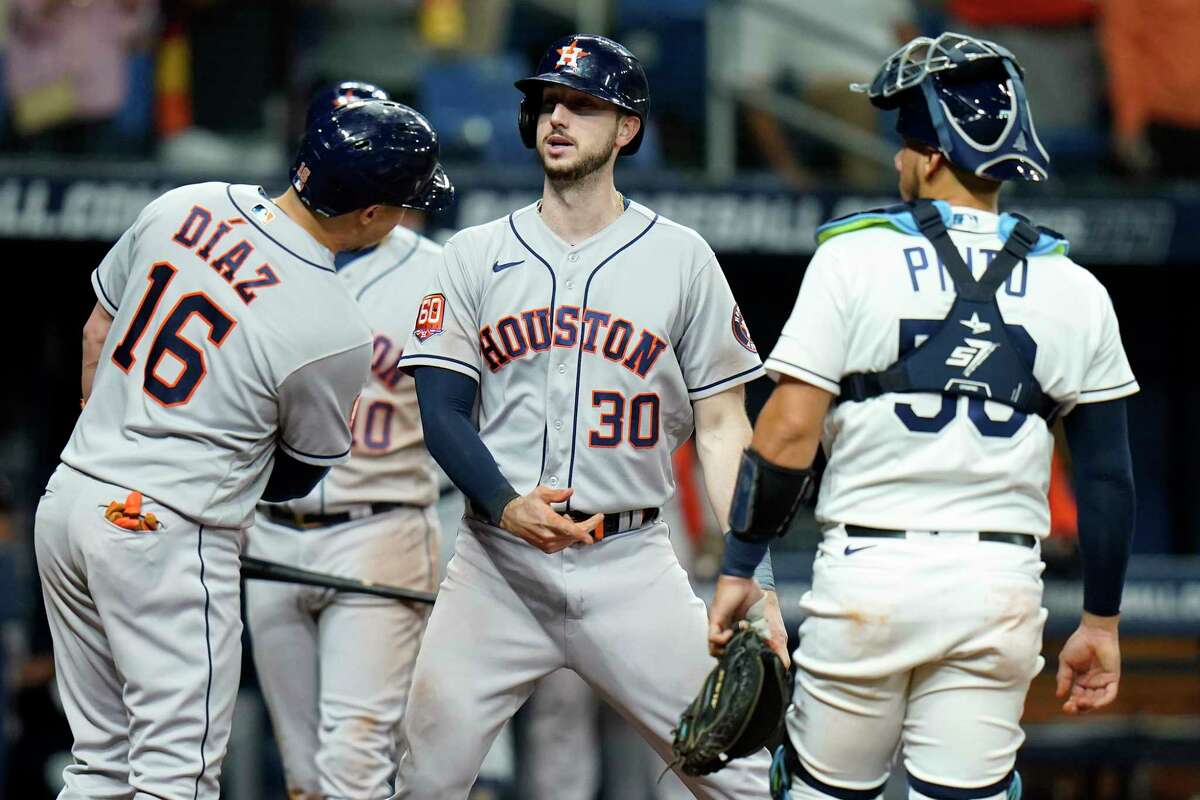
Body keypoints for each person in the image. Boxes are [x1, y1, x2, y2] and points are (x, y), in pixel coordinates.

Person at [708, 32, 1137, 800]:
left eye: (906, 147)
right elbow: (1107, 479)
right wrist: (1101, 623)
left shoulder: (853, 258)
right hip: (997, 586)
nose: (899, 164)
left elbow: (787, 434)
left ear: (933, 155)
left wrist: (742, 564)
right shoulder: (1076, 288)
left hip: (871, 577)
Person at [391, 33, 782, 800]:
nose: (556, 117)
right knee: (423, 781)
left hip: (631, 563)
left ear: (626, 128)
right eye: (547, 103)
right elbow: (440, 413)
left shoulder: (682, 257)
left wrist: (754, 574)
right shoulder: (472, 255)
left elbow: (726, 427)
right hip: (496, 566)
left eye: (582, 104)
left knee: (741, 780)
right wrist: (506, 505)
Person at [34, 98, 448, 799]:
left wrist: (110, 433)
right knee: (177, 773)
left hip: (71, 497)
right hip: (162, 527)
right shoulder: (331, 321)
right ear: (374, 214)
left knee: (99, 761)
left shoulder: (184, 202)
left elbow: (97, 328)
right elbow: (299, 474)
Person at [243, 82, 453, 800]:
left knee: (356, 766)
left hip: (379, 526)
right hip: (268, 531)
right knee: (302, 776)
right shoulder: (255, 251)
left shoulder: (435, 272)